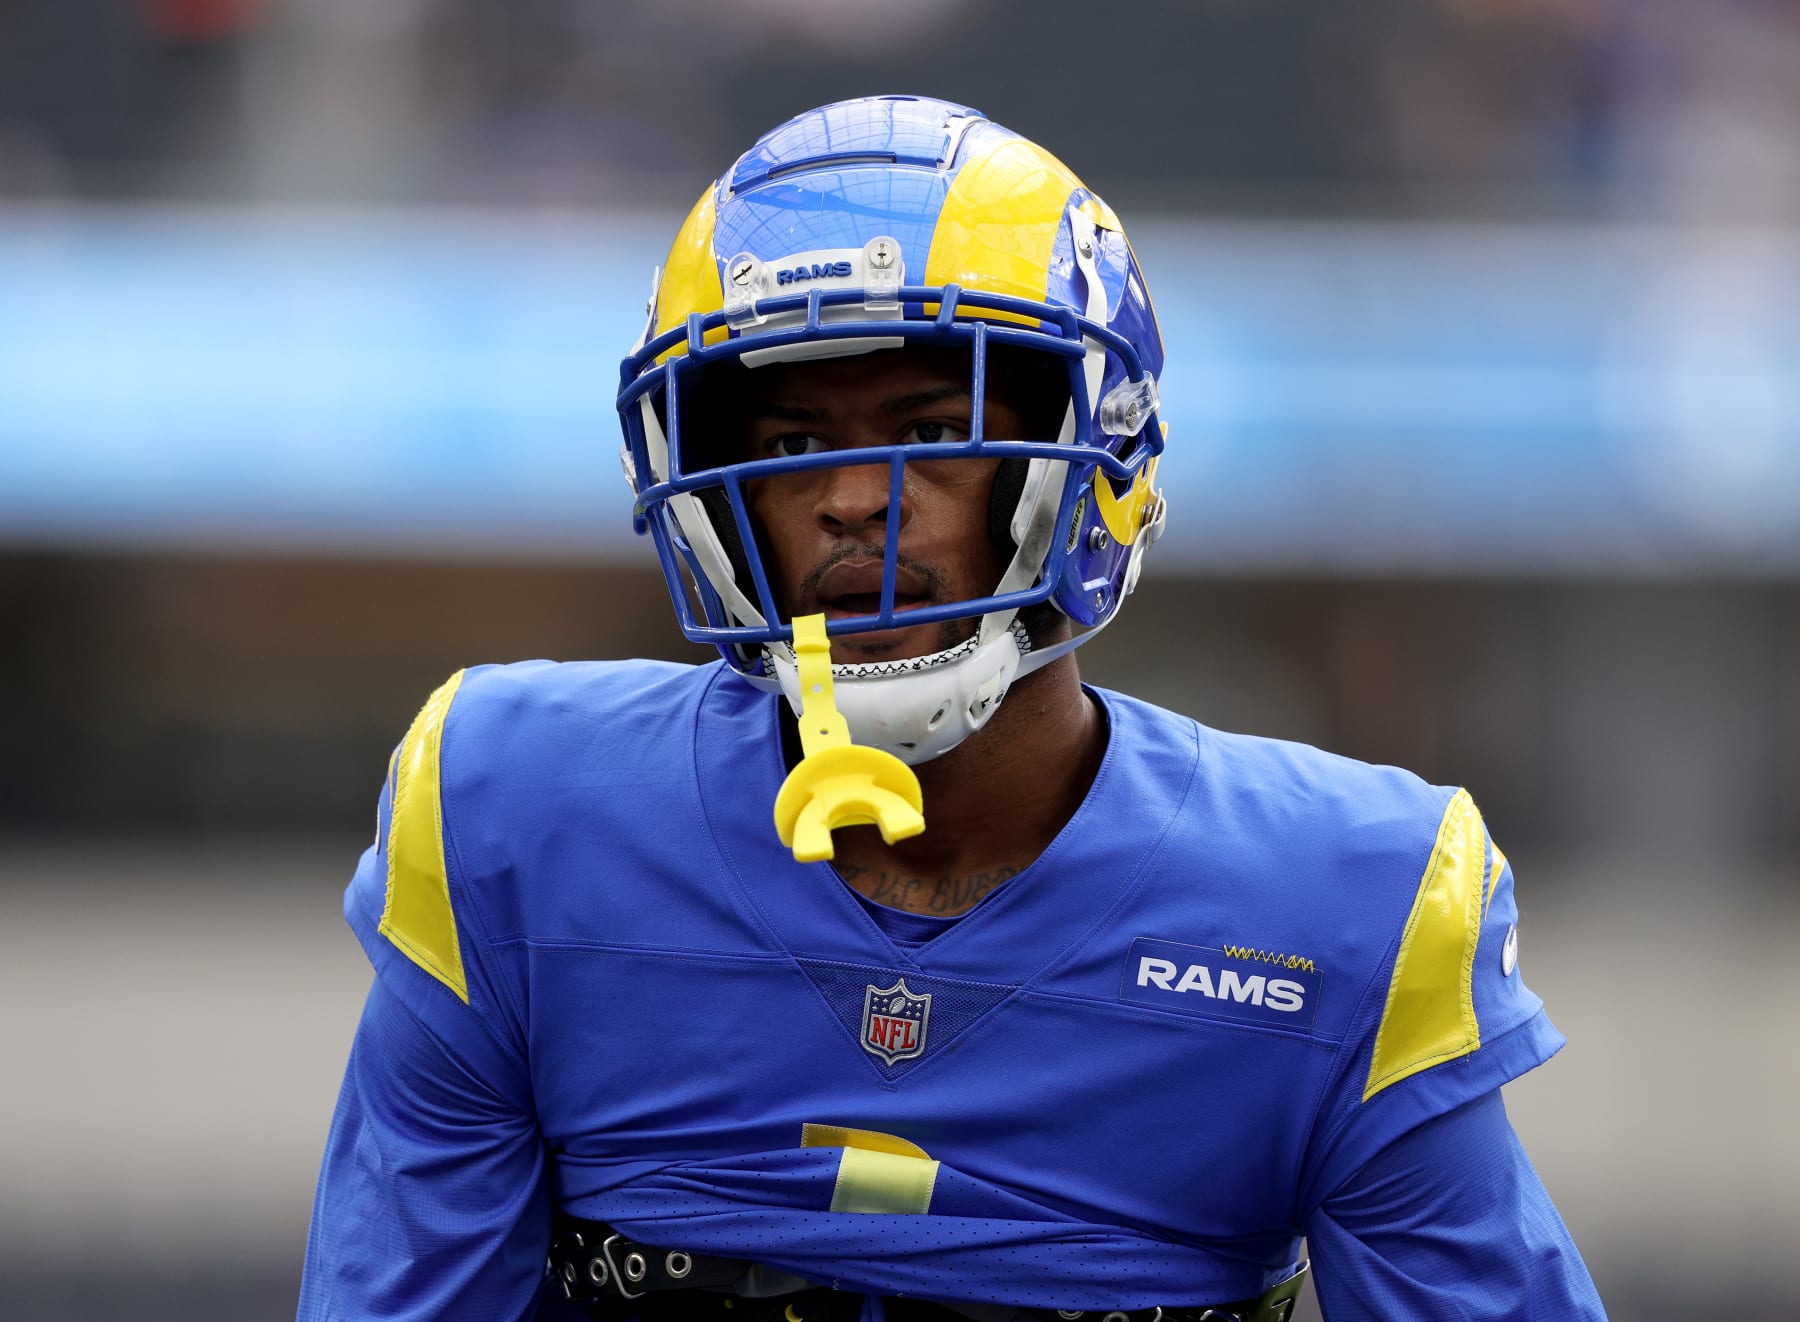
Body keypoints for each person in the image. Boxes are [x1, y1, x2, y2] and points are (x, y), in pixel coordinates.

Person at [298, 96, 1604, 1322]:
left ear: (1093, 457)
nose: (855, 498)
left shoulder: (1345, 905)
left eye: (931, 422)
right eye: (797, 445)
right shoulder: (509, 817)